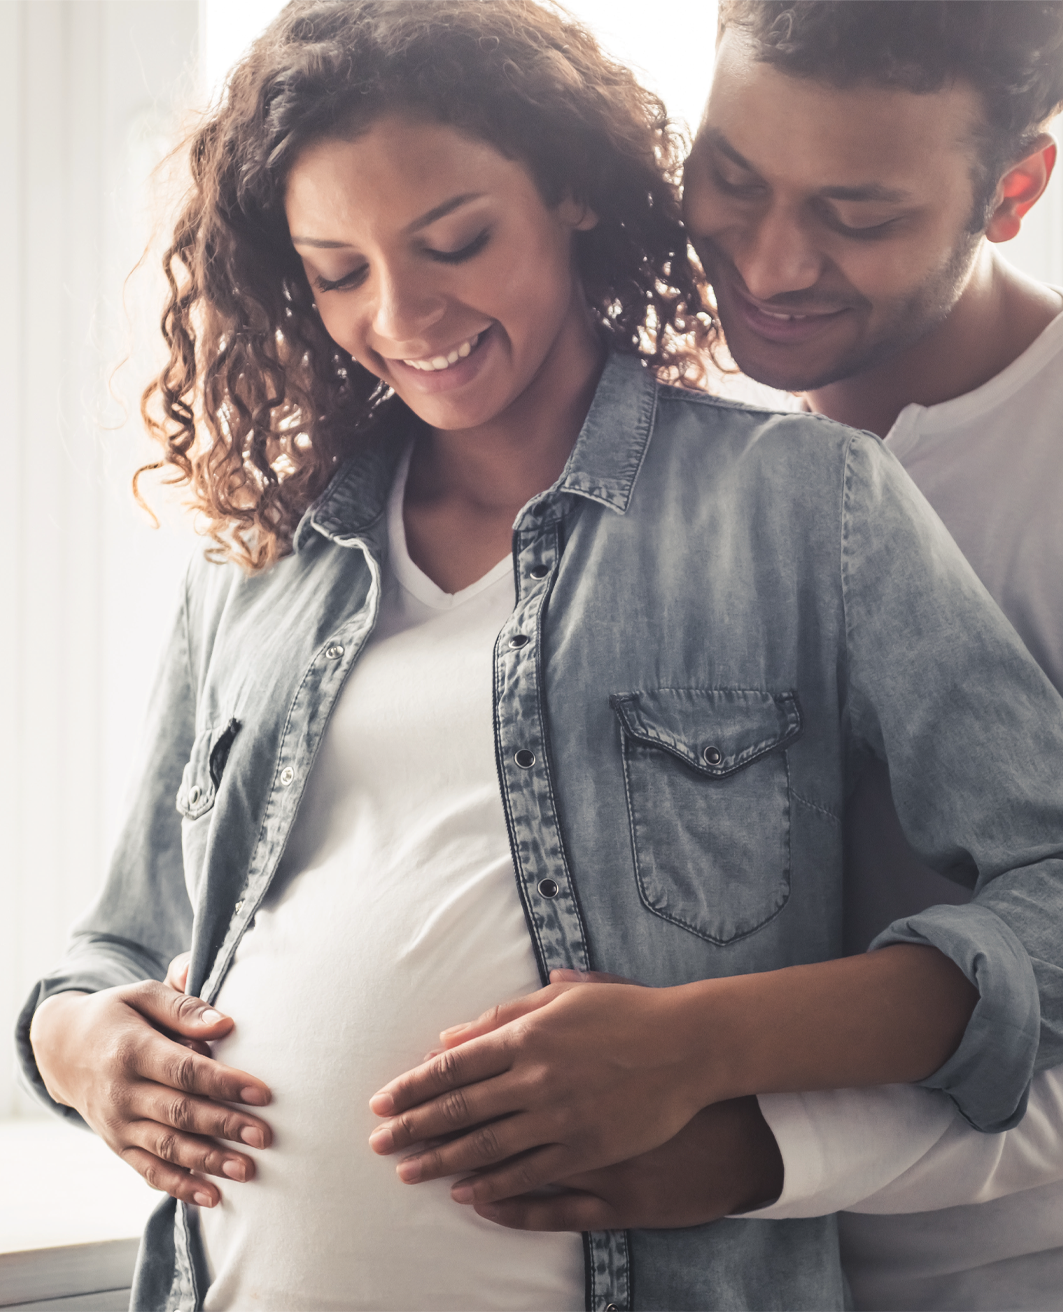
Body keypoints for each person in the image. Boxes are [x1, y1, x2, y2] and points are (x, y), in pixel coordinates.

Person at [15, 2, 1063, 1309]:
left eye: (456, 241)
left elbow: (1049, 889)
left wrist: (707, 1064)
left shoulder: (801, 499)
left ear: (571, 192)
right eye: (337, 270)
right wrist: (77, 1045)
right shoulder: (260, 559)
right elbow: (115, 946)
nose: (403, 313)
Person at [429, 4, 1063, 1310]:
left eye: (860, 216)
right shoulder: (687, 444)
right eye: (733, 177)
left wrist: (763, 1149)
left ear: (1015, 189)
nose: (770, 265)